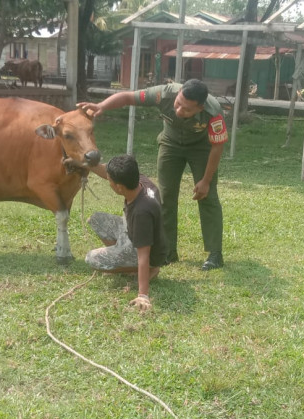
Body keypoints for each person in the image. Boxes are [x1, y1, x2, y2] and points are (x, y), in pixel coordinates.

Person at [77, 79, 227, 271]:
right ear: (178, 92)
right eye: (178, 104)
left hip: (202, 148)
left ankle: (215, 254)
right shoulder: (163, 94)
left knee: (207, 196)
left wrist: (205, 181)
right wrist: (101, 105)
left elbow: (217, 147)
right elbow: (126, 97)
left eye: (187, 110)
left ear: (200, 108)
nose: (180, 111)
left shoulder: (213, 112)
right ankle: (168, 252)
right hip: (171, 144)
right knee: (165, 197)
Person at [85, 155, 167, 311]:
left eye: (109, 181)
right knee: (96, 220)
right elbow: (106, 172)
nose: (107, 181)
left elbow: (143, 255)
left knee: (92, 259)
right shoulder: (139, 181)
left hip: (145, 250)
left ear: (119, 187)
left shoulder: (142, 212)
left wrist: (143, 295)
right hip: (131, 230)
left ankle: (146, 270)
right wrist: (86, 164)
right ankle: (121, 257)